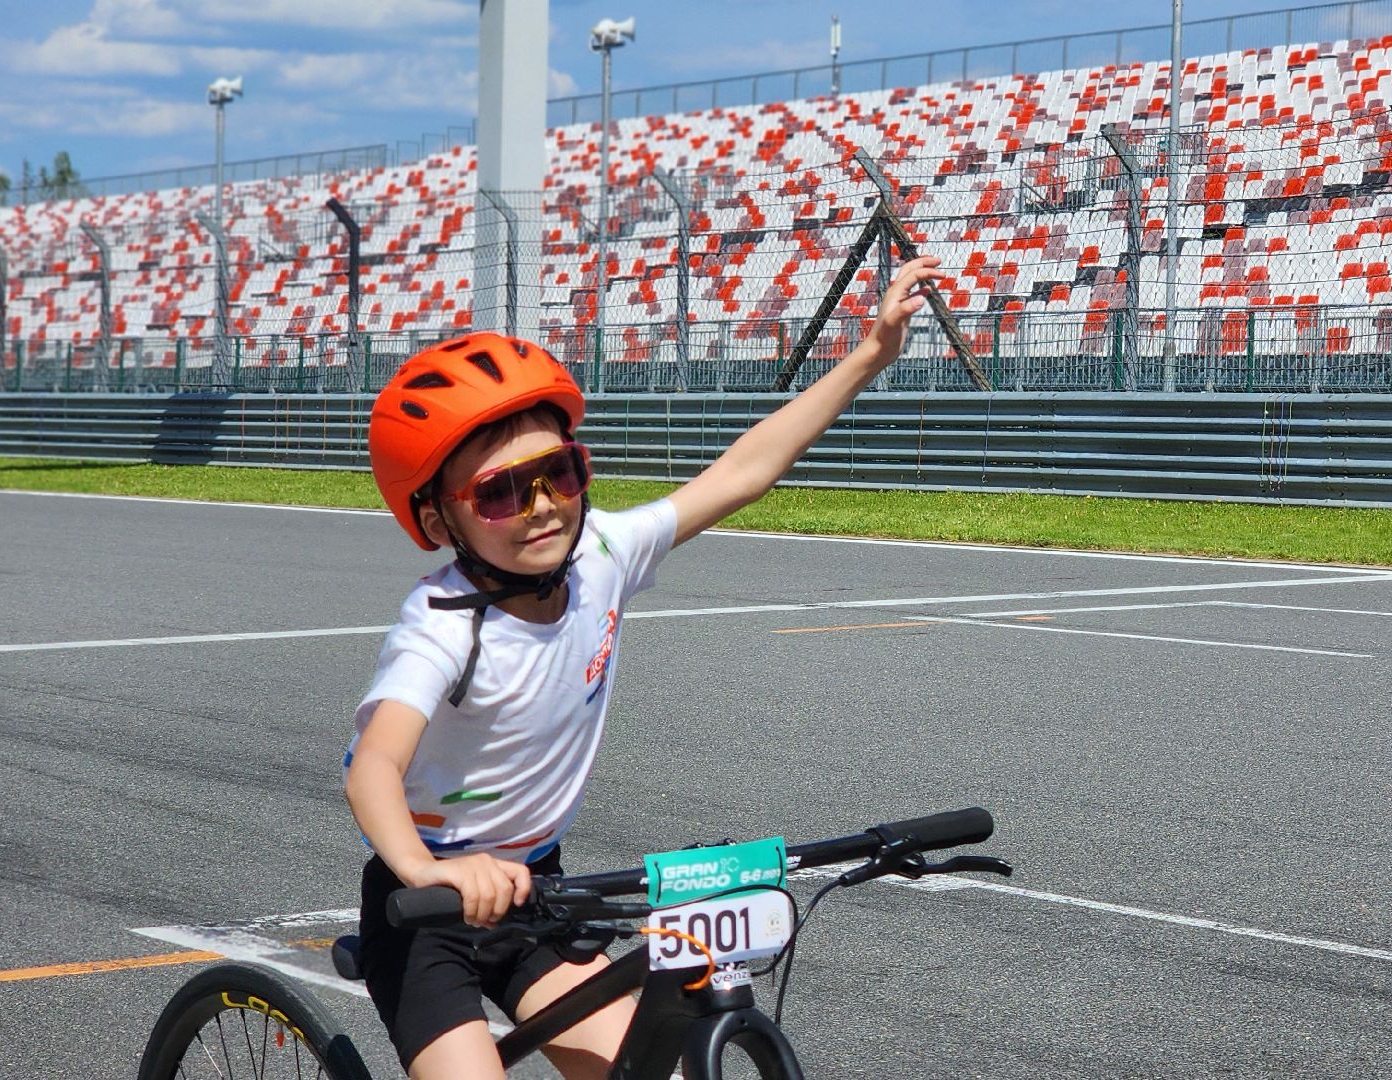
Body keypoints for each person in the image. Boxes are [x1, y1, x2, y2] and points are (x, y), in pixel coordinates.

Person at [343, 256, 946, 1080]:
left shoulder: (601, 554)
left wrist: (870, 354)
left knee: (642, 1070)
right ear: (438, 518)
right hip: (427, 914)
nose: (543, 505)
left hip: (539, 895)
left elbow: (743, 471)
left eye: (558, 472)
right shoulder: (441, 626)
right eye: (499, 493)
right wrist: (425, 869)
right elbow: (375, 766)